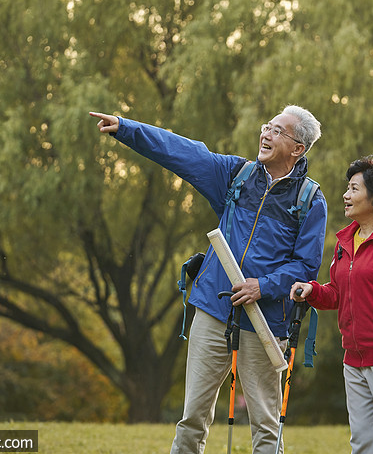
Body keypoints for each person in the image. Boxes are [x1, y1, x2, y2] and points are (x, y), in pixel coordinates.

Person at [89, 106, 328, 454]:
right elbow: (182, 152)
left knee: (266, 426)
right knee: (192, 418)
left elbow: (305, 266)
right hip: (214, 310)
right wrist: (126, 128)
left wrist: (262, 286)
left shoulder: (310, 200)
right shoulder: (235, 174)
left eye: (278, 131)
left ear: (298, 148)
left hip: (265, 321)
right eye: (267, 126)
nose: (265, 134)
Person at [290, 156, 373, 454]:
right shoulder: (345, 242)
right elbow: (338, 294)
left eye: (354, 189)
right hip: (354, 360)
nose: (345, 195)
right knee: (362, 444)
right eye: (347, 188)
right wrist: (312, 290)